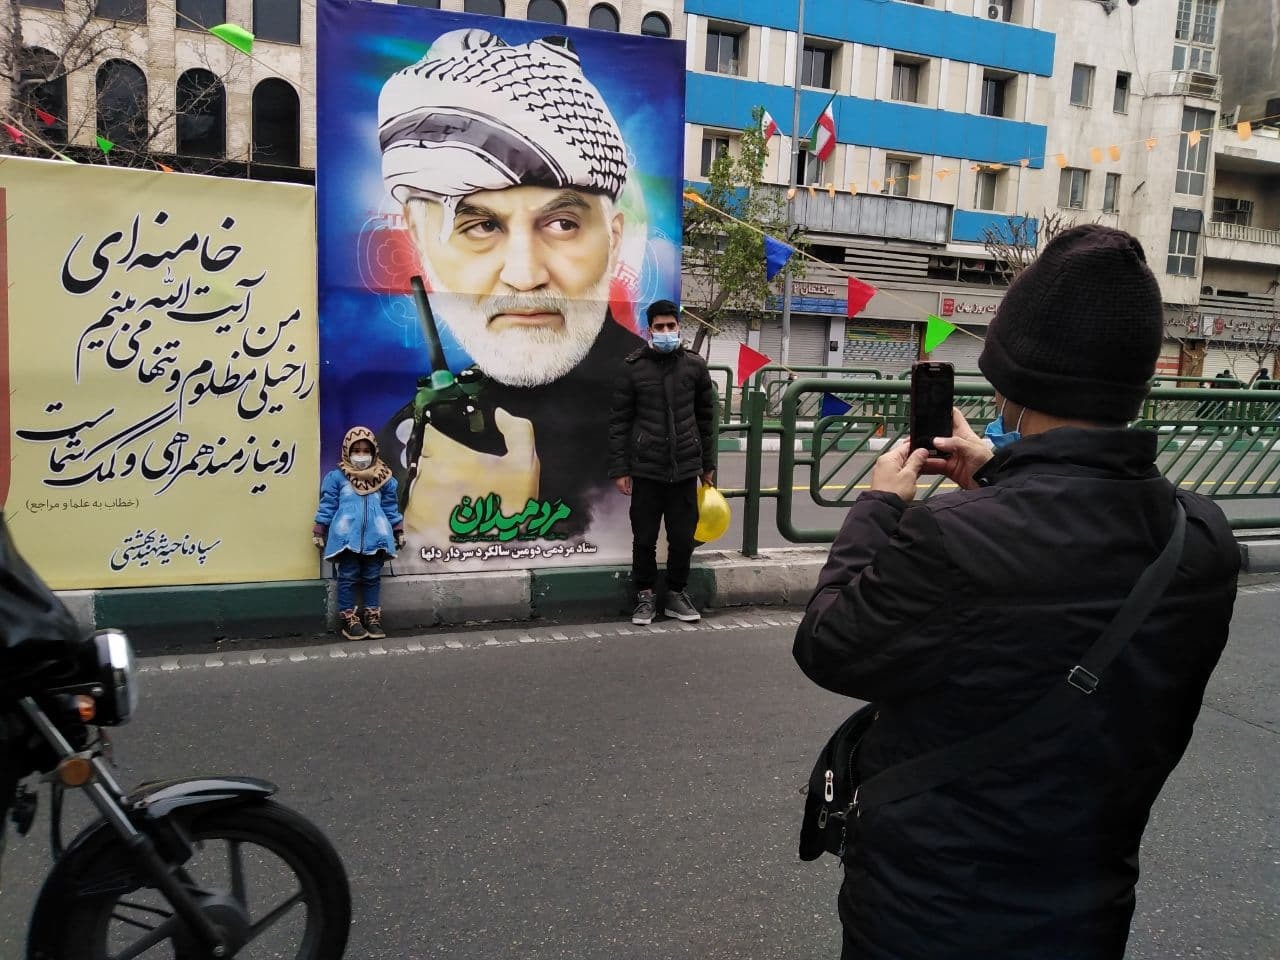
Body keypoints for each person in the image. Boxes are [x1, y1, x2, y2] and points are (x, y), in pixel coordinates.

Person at [793, 225, 1238, 960]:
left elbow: (830, 644)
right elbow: (1076, 530)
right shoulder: (1200, 539)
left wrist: (879, 508)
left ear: (1013, 384)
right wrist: (1004, 474)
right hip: (1088, 908)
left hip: (931, 915)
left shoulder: (952, 538)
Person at [375, 28, 647, 544]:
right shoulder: (411, 433)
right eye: (481, 226)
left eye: (563, 224)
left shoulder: (652, 397)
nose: (524, 275)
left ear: (613, 241)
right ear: (419, 240)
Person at [608, 300, 716, 625]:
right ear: (649, 329)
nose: (666, 332)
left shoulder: (695, 367)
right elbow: (619, 422)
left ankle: (676, 594)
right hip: (646, 470)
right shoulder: (633, 367)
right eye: (660, 327)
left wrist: (708, 466)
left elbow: (707, 417)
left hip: (685, 470)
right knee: (644, 538)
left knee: (682, 538)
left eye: (671, 326)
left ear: (679, 327)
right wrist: (621, 469)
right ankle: (644, 596)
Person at [313, 427, 405, 641]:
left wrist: (398, 529)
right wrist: (319, 528)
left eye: (366, 450)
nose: (361, 454)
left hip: (376, 537)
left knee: (372, 577)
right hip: (347, 538)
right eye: (356, 450)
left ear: (374, 451)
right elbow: (328, 504)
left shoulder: (384, 478)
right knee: (348, 576)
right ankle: (349, 619)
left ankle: (372, 617)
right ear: (347, 450)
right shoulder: (337, 477)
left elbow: (391, 507)